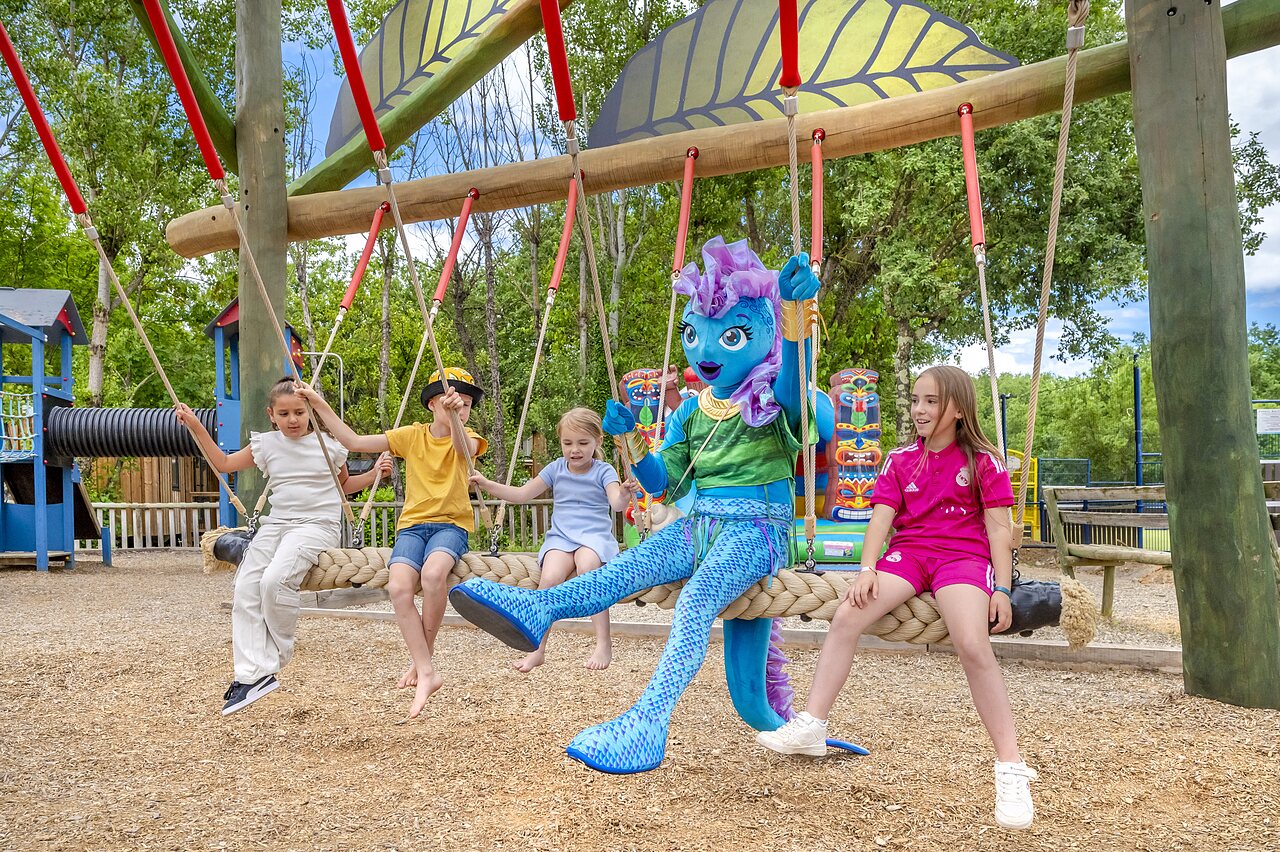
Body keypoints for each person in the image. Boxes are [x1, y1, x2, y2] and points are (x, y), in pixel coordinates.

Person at [448, 237, 833, 773]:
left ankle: (650, 721)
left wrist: (795, 321)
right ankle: (537, 609)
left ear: (761, 335)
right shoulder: (697, 410)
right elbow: (667, 483)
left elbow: (797, 394)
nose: (706, 351)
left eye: (733, 335)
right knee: (622, 568)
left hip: (756, 531)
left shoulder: (771, 398)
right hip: (699, 525)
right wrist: (631, 440)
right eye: (695, 335)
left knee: (697, 599)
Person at [755, 364, 1037, 830]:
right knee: (847, 615)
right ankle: (813, 724)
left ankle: (1010, 766)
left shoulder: (985, 462)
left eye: (930, 401)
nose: (920, 410)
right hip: (910, 554)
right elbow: (881, 520)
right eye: (915, 401)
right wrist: (867, 568)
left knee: (971, 642)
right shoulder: (902, 459)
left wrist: (1002, 589)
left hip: (962, 558)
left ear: (958, 409)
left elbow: (998, 530)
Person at [176, 378, 391, 716]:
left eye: (300, 412)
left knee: (274, 580)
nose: (293, 419)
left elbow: (345, 486)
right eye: (285, 413)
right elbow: (224, 463)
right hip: (276, 525)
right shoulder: (267, 445)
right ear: (271, 415)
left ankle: (275, 658)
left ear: (310, 413)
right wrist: (196, 427)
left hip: (315, 526)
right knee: (245, 586)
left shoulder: (328, 445)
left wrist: (376, 472)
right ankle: (249, 676)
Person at [297, 368, 486, 718]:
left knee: (432, 577)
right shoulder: (412, 436)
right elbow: (353, 442)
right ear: (432, 404)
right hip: (412, 527)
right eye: (450, 403)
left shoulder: (470, 436)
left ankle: (424, 663)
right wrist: (318, 403)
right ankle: (426, 669)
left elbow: (464, 449)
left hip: (450, 525)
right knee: (399, 588)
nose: (460, 409)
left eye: (466, 404)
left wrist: (457, 419)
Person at [470, 408, 638, 672]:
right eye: (567, 443)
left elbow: (616, 504)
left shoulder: (603, 471)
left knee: (588, 571)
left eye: (583, 443)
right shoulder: (556, 469)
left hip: (593, 538)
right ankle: (538, 648)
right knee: (548, 580)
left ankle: (603, 642)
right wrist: (487, 484)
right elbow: (522, 494)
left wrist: (625, 494)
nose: (575, 450)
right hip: (561, 538)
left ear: (597, 442)